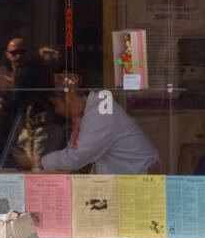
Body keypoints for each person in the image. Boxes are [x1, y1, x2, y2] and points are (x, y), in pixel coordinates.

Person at [30, 72, 162, 174]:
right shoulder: (86, 115)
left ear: (70, 96)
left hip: (137, 186)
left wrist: (38, 161)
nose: (56, 110)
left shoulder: (101, 112)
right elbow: (75, 153)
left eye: (55, 104)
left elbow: (75, 158)